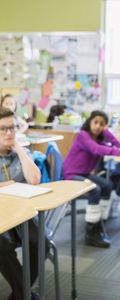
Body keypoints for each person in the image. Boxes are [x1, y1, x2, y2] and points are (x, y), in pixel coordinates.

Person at [62, 110, 120, 248]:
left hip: (84, 174)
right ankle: (90, 234)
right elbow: (96, 149)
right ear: (89, 122)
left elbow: (117, 145)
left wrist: (106, 133)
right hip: (71, 175)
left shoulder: (98, 138)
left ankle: (99, 223)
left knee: (107, 185)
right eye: (95, 122)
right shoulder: (82, 136)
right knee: (95, 190)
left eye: (102, 124)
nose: (97, 126)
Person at [0, 108, 43, 300]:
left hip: (21, 213)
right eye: (3, 129)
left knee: (40, 242)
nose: (9, 133)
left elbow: (34, 179)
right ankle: (24, 294)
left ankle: (19, 294)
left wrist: (18, 148)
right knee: (2, 247)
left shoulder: (21, 151)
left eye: (12, 128)